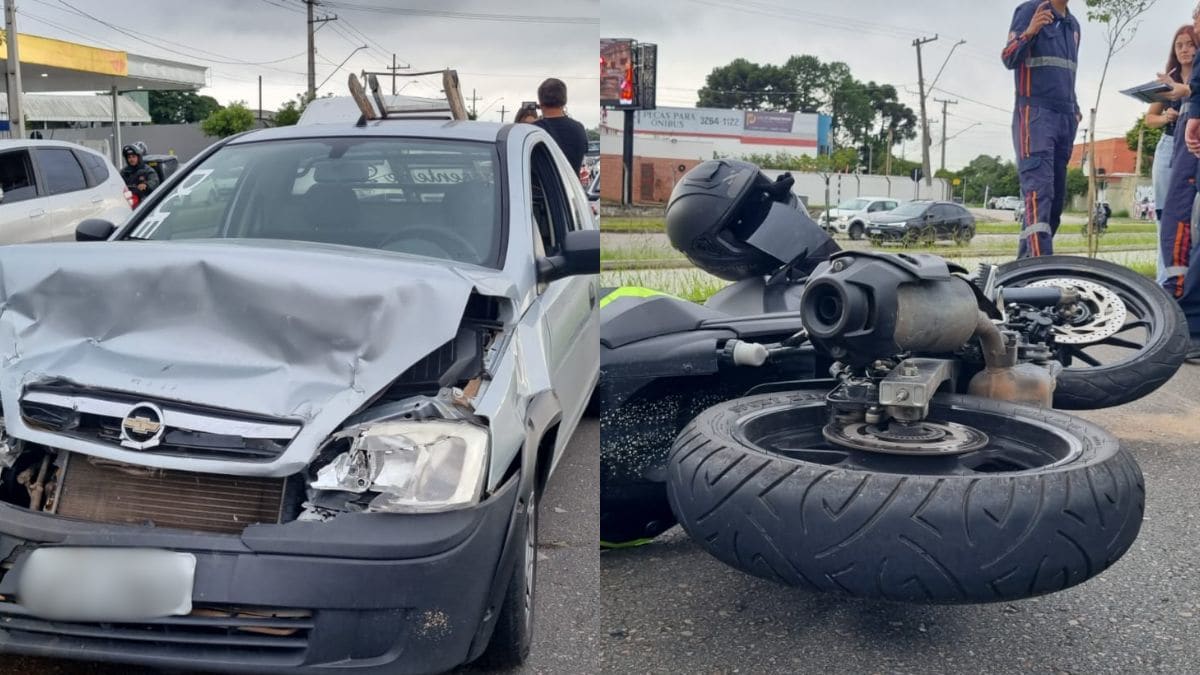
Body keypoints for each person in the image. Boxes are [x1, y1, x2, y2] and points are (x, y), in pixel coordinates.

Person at [1001, 0, 1082, 258]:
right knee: (1040, 195)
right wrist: (1030, 31)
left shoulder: (1073, 25)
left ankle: (1024, 270)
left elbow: (1067, 76)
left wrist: (1075, 108)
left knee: (1054, 203)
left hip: (1065, 117)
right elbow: (1008, 57)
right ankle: (1042, 270)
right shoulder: (1029, 11)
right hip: (1035, 116)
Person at [1146, 25, 1197, 283]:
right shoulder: (1168, 80)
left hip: (1192, 146)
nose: (1184, 49)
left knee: (1190, 216)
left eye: (1189, 44)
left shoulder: (1196, 78)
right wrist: (1166, 116)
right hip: (1168, 144)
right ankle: (1164, 280)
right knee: (1165, 216)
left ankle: (1187, 279)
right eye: (1179, 45)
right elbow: (1150, 119)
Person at [533, 78, 588, 173]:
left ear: (540, 102)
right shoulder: (579, 128)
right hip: (571, 182)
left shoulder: (533, 130)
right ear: (564, 100)